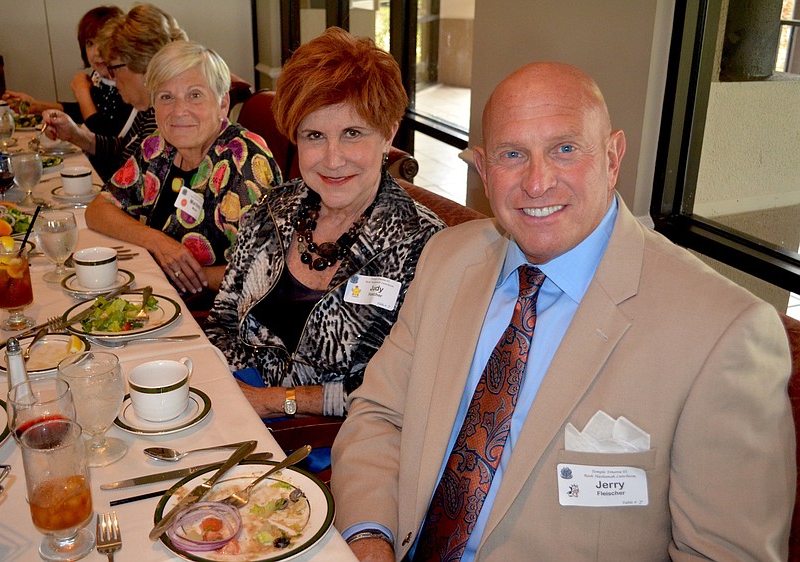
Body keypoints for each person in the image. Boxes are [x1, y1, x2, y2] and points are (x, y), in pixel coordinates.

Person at [331, 62, 795, 561]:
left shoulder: (724, 333)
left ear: (613, 156)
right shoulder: (448, 258)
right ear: (484, 171)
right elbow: (379, 416)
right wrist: (368, 537)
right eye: (513, 155)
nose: (537, 182)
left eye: (565, 149)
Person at [203, 27, 445, 419]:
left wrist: (276, 403)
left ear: (388, 135)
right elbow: (223, 321)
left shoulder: (425, 246)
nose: (333, 159)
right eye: (315, 135)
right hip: (238, 414)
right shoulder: (272, 209)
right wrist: (227, 390)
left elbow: (412, 385)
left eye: (352, 133)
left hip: (336, 445)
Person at [85, 40, 281, 295]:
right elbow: (98, 209)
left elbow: (264, 271)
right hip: (159, 295)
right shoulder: (157, 147)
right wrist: (157, 242)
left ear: (223, 103)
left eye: (195, 95)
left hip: (217, 316)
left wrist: (177, 276)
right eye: (166, 97)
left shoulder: (243, 161)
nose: (179, 111)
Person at [41, 3, 186, 181]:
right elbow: (125, 149)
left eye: (113, 69)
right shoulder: (149, 109)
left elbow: (139, 193)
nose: (112, 78)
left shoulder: (169, 121)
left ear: (142, 63)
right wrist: (74, 134)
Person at [2, 6, 132, 137]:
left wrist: (82, 92)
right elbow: (86, 110)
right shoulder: (100, 77)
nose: (96, 52)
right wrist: (36, 106)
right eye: (90, 43)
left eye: (104, 43)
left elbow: (102, 138)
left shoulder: (128, 82)